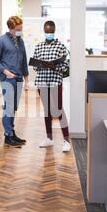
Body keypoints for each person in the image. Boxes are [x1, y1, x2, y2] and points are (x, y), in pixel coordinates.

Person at [33, 21, 71, 153]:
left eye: (51, 31)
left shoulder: (60, 46)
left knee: (59, 110)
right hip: (42, 82)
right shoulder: (39, 47)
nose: (49, 33)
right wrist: (41, 64)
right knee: (47, 110)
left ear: (54, 31)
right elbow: (35, 66)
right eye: (47, 31)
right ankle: (49, 138)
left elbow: (65, 66)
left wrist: (53, 65)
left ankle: (66, 140)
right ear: (44, 31)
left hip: (55, 82)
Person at [0, 16, 29, 148]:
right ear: (11, 29)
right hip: (8, 79)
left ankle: (12, 133)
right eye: (18, 29)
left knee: (13, 107)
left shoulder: (21, 41)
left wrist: (26, 79)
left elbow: (24, 60)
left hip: (19, 78)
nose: (20, 31)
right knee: (8, 107)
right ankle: (8, 135)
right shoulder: (1, 41)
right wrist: (6, 72)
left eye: (21, 29)